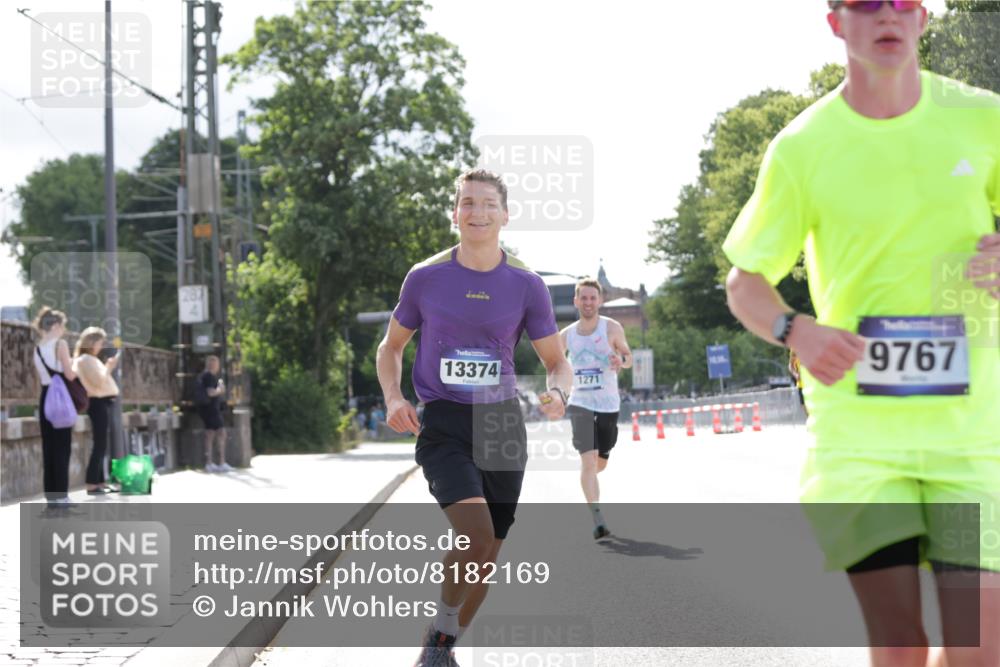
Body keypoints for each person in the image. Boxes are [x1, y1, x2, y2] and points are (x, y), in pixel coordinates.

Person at [723, 2, 1000, 665]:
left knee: (978, 647)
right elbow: (745, 282)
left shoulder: (981, 117)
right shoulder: (803, 147)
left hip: (971, 439)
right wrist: (797, 329)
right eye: (866, 2)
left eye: (902, 1)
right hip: (861, 444)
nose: (887, 14)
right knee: (902, 644)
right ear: (836, 23)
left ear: (924, 18)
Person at [377, 168, 572, 666]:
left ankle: (444, 644)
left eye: (488, 204)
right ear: (455, 213)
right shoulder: (425, 278)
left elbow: (557, 362)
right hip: (444, 421)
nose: (477, 212)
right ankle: (438, 638)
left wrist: (558, 393)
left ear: (506, 216)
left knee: (489, 556)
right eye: (467, 203)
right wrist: (394, 397)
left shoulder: (528, 286)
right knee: (475, 536)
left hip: (502, 422)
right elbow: (391, 347)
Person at [559, 278, 632, 540]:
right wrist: (556, 393)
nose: (588, 302)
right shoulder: (566, 335)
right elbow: (555, 367)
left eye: (593, 298)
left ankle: (588, 479)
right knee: (588, 461)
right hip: (580, 403)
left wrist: (619, 360)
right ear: (576, 301)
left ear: (600, 301)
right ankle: (597, 517)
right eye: (584, 298)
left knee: (599, 462)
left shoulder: (612, 328)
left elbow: (628, 358)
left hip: (608, 404)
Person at [31, 307, 78, 507]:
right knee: (63, 447)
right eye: (63, 326)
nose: (64, 330)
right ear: (56, 325)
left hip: (45, 398)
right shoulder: (60, 344)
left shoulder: (38, 347)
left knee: (49, 448)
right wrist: (75, 366)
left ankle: (51, 497)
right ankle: (62, 496)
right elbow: (69, 374)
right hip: (60, 398)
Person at [72, 327, 120, 494]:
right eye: (99, 342)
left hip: (100, 402)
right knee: (99, 444)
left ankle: (98, 482)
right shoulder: (86, 359)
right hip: (97, 402)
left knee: (101, 444)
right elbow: (99, 381)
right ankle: (93, 483)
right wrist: (109, 366)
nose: (101, 346)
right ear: (92, 343)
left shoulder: (88, 359)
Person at [196, 355, 230, 473]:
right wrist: (220, 389)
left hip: (206, 410)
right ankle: (220, 462)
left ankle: (210, 463)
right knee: (221, 433)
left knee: (210, 434)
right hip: (211, 410)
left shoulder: (203, 376)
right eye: (216, 364)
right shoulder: (209, 376)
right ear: (213, 365)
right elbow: (210, 393)